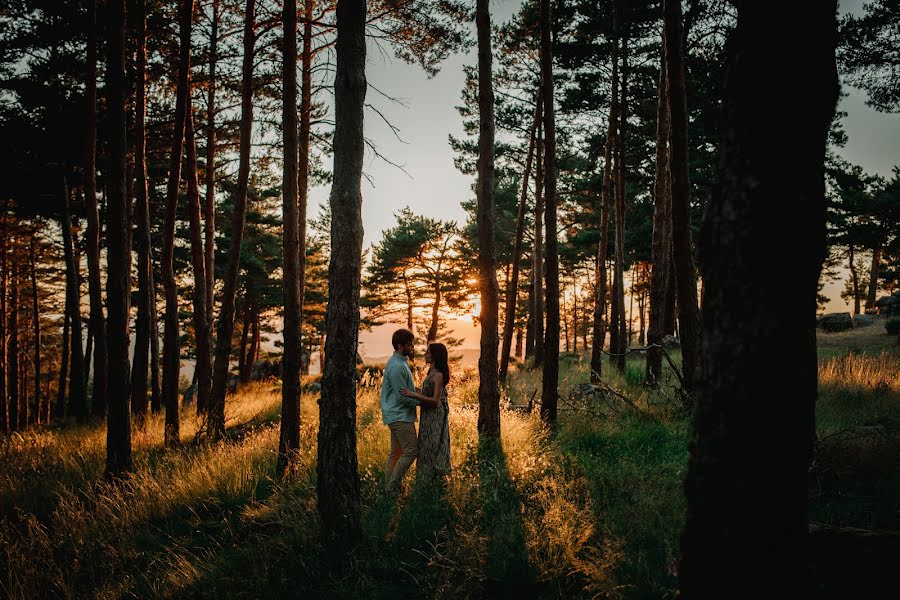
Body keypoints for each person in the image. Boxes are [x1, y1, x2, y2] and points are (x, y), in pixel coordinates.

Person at [380, 329, 438, 493]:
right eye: (409, 344)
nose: (412, 347)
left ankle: (389, 490)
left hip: (397, 414)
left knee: (396, 453)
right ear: (400, 346)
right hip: (399, 415)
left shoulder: (401, 362)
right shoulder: (397, 366)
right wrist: (427, 403)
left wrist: (423, 393)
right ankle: (392, 487)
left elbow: (408, 390)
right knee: (411, 451)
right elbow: (402, 397)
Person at [401, 342, 452, 482]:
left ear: (435, 355)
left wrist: (412, 395)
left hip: (435, 416)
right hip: (428, 414)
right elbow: (425, 393)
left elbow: (435, 401)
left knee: (432, 445)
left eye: (428, 352)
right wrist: (410, 388)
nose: (425, 354)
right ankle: (424, 479)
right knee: (424, 444)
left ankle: (431, 479)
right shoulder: (431, 372)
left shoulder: (439, 375)